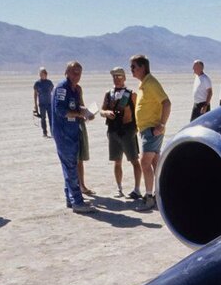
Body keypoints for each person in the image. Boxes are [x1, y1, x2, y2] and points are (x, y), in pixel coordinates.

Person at [51, 60, 94, 213]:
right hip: (63, 133)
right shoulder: (62, 88)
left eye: (79, 73)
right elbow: (60, 111)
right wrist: (79, 114)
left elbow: (75, 107)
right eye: (74, 72)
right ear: (67, 73)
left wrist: (85, 112)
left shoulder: (75, 90)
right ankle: (78, 201)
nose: (77, 76)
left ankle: (70, 199)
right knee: (71, 167)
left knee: (69, 167)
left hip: (73, 131)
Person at [130, 53, 170, 212]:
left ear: (142, 67)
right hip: (147, 130)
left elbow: (166, 103)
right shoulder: (143, 84)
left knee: (144, 163)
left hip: (152, 130)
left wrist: (161, 125)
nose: (131, 70)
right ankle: (159, 195)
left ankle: (148, 198)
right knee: (155, 163)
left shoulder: (151, 83)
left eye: (133, 66)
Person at [100, 67, 142, 198]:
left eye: (119, 76)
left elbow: (137, 113)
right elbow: (102, 110)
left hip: (128, 131)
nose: (116, 79)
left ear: (124, 78)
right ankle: (119, 188)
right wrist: (106, 113)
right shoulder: (109, 93)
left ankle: (137, 189)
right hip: (113, 131)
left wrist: (136, 129)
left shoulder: (131, 94)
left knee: (134, 160)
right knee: (117, 161)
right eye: (114, 76)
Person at [33, 68, 54, 138]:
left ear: (46, 74)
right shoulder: (37, 83)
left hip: (49, 104)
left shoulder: (49, 83)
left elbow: (52, 92)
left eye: (42, 74)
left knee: (51, 118)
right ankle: (44, 132)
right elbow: (35, 95)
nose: (41, 75)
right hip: (42, 104)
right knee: (43, 119)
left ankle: (53, 132)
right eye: (40, 74)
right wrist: (35, 105)